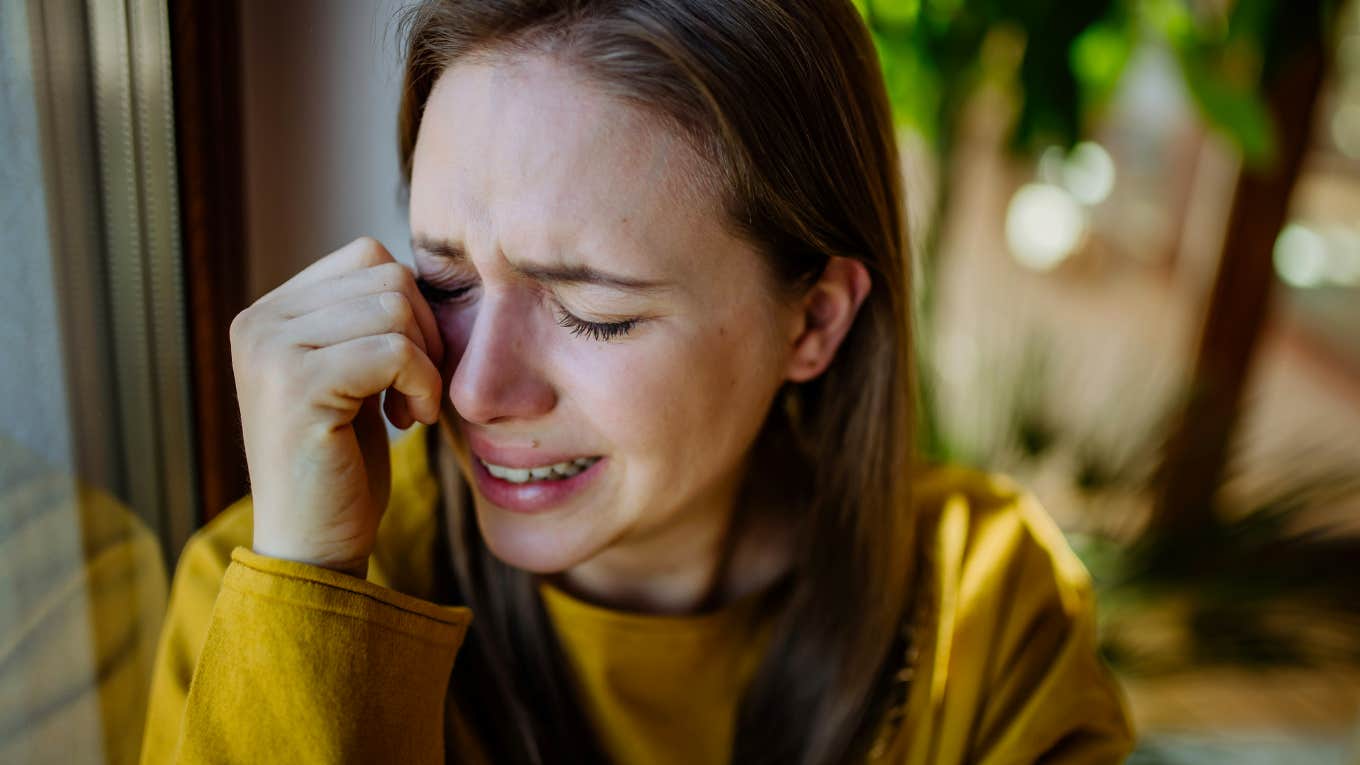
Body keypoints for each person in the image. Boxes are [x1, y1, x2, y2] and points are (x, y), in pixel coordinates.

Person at [140, 1, 1134, 762]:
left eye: (594, 312)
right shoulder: (268, 588)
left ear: (815, 319)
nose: (478, 391)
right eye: (446, 277)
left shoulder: (990, 607)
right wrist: (309, 605)